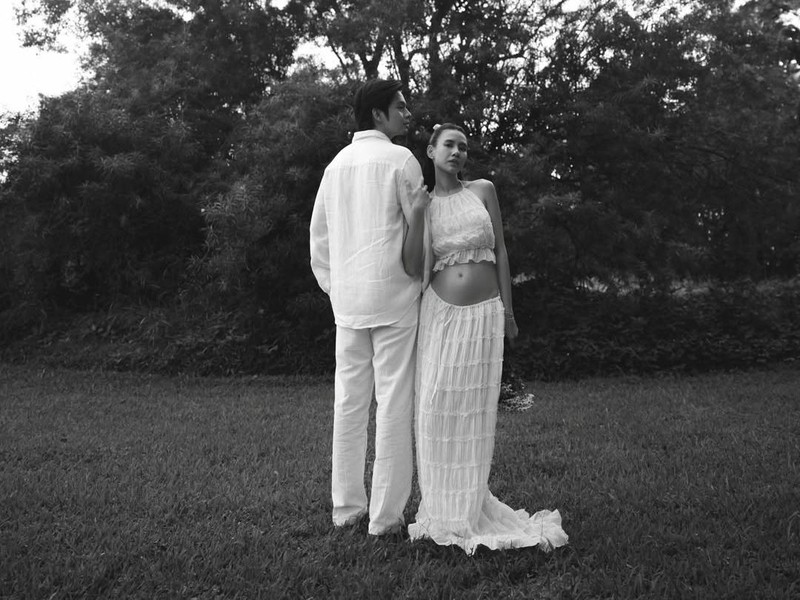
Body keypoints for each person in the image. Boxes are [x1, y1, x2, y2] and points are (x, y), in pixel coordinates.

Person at [407, 123, 568, 554]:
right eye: (449, 144)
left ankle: (468, 508)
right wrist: (418, 213)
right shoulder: (422, 202)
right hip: (440, 316)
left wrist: (509, 313)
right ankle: (441, 510)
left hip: (484, 316)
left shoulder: (483, 190)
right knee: (435, 407)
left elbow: (501, 252)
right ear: (431, 150)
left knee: (474, 415)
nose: (457, 152)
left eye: (463, 147)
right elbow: (413, 266)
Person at [309, 79, 429, 536]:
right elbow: (420, 231)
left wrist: (336, 289)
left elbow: (319, 240)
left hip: (349, 303)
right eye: (400, 106)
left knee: (349, 404)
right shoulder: (402, 160)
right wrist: (416, 285)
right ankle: (384, 519)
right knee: (393, 404)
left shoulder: (335, 165)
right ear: (378, 114)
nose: (408, 113)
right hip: (395, 298)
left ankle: (346, 510)